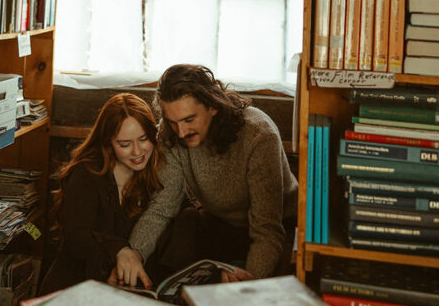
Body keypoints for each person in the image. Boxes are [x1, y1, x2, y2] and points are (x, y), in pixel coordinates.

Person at [115, 64, 298, 289]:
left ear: (213, 106)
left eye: (189, 119)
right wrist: (132, 254)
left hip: (277, 230)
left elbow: (267, 232)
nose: (181, 132)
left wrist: (247, 288)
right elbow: (161, 209)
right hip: (221, 225)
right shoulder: (170, 133)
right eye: (173, 122)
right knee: (183, 225)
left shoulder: (258, 135)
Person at [39, 93, 162, 294]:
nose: (137, 152)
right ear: (108, 143)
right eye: (124, 144)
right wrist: (119, 250)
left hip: (123, 293)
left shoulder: (158, 172)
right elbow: (77, 238)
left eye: (143, 139)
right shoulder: (86, 172)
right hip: (73, 289)